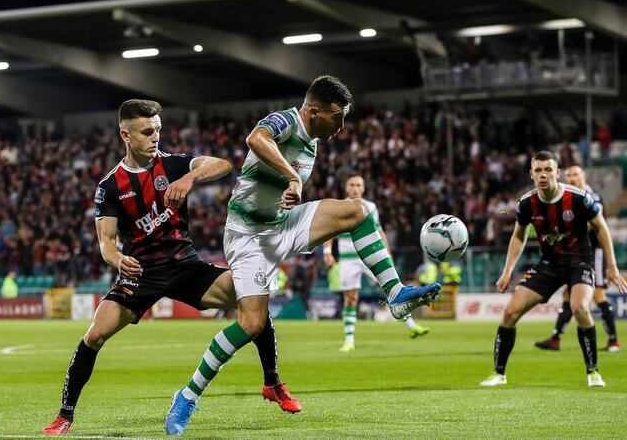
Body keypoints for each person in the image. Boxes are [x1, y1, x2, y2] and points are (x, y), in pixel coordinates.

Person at [165, 76, 442, 435]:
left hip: (282, 223)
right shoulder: (285, 121)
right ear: (312, 111)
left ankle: (396, 294)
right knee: (251, 325)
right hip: (248, 234)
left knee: (358, 211)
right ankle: (187, 395)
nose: (341, 128)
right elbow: (256, 138)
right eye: (336, 118)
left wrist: (293, 188)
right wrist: (292, 178)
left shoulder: (312, 140)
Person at [42, 100, 300, 436]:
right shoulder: (111, 186)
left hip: (185, 266)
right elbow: (105, 243)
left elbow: (222, 164)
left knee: (252, 295)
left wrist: (191, 177)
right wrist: (119, 260)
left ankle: (272, 383)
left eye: (158, 130)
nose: (155, 137)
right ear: (126, 135)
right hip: (142, 274)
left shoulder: (175, 165)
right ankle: (65, 415)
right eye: (147, 131)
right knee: (95, 334)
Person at [479, 151, 627, 389]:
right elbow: (519, 234)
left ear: (557, 173)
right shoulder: (526, 203)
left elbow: (601, 227)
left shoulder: (579, 198)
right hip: (549, 264)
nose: (543, 174)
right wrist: (507, 271)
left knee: (580, 308)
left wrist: (612, 266)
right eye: (538, 170)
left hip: (580, 262)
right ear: (531, 174)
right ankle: (499, 373)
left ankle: (593, 372)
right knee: (509, 313)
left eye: (548, 169)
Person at [322, 175, 429, 352]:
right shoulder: (339, 206)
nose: (355, 188)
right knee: (351, 298)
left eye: (359, 185)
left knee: (392, 289)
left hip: (370, 256)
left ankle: (412, 326)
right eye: (352, 185)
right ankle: (349, 340)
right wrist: (327, 251)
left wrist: (387, 254)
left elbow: (378, 231)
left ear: (363, 188)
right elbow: (331, 232)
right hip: (348, 259)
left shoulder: (370, 206)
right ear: (346, 188)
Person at [534, 164, 621, 352]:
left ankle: (614, 341)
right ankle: (555, 339)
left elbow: (594, 225)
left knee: (598, 295)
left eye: (576, 174)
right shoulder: (568, 197)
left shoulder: (592, 197)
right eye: (569, 175)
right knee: (567, 295)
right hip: (574, 255)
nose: (572, 177)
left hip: (593, 252)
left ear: (584, 176)